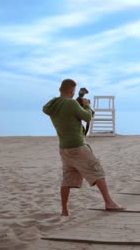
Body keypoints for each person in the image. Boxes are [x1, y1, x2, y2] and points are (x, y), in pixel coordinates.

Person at [43, 79, 124, 216]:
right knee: (97, 170)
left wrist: (75, 102)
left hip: (64, 147)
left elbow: (51, 107)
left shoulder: (53, 105)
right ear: (72, 91)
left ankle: (64, 210)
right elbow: (87, 117)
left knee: (67, 178)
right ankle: (109, 203)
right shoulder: (71, 103)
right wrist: (86, 106)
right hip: (77, 146)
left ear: (60, 89)